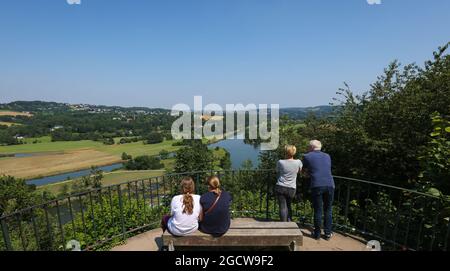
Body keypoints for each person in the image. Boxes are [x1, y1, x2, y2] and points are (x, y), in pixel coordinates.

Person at [302, 140, 335, 240]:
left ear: (311, 147)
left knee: (318, 210)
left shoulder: (307, 156)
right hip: (330, 184)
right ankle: (328, 234)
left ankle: (317, 234)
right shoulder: (327, 156)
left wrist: (308, 174)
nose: (307, 148)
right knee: (328, 209)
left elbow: (303, 171)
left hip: (317, 184)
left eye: (308, 147)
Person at [275, 145, 303, 222]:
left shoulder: (280, 162)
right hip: (292, 188)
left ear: (285, 152)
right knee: (289, 205)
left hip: (280, 186)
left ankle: (283, 225)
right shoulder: (298, 162)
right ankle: (289, 222)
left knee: (282, 206)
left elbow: (277, 171)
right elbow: (300, 172)